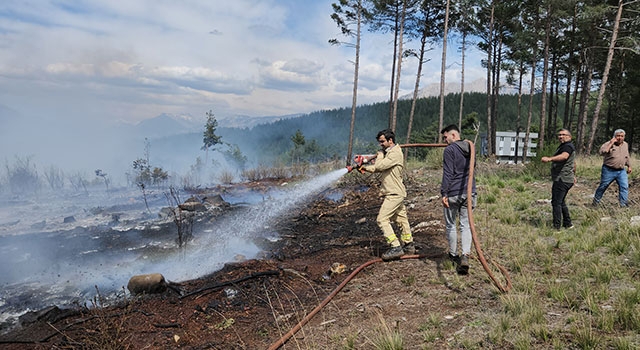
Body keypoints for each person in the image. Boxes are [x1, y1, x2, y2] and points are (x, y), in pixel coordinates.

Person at [360, 129, 415, 261]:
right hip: (395, 192)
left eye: (382, 142)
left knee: (382, 219)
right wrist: (362, 167)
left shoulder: (395, 153)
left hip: (394, 193)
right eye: (379, 142)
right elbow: (377, 167)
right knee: (401, 219)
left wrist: (379, 155)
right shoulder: (389, 154)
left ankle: (395, 247)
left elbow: (379, 166)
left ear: (390, 140)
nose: (381, 144)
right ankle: (408, 244)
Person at [440, 125, 476, 275]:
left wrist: (444, 193)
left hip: (453, 192)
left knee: (450, 225)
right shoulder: (470, 147)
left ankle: (454, 255)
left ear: (453, 135)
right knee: (465, 225)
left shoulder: (450, 150)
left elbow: (448, 173)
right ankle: (465, 255)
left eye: (445, 137)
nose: (444, 141)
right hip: (469, 192)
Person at [541, 128, 576, 230]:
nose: (561, 137)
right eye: (559, 135)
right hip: (565, 178)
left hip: (562, 179)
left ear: (569, 137)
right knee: (561, 202)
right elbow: (573, 163)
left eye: (564, 135)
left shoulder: (567, 146)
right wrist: (573, 175)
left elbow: (564, 157)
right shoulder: (565, 146)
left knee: (556, 202)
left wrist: (550, 159)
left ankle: (556, 227)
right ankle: (568, 224)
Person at [592, 129, 632, 207]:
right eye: (618, 136)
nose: (620, 138)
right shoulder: (608, 144)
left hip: (621, 170)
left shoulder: (625, 144)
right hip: (608, 170)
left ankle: (623, 205)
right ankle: (595, 203)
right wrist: (611, 143)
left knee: (624, 187)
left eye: (622, 136)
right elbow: (603, 152)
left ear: (624, 137)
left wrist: (629, 165)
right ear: (614, 136)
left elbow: (626, 156)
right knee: (603, 186)